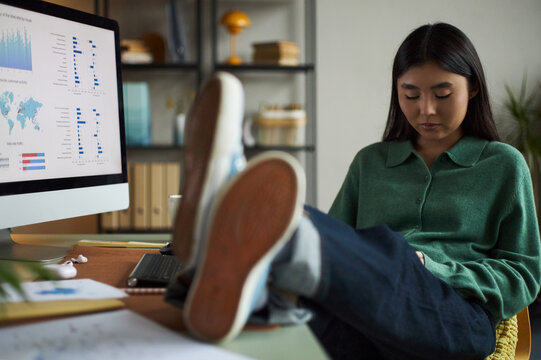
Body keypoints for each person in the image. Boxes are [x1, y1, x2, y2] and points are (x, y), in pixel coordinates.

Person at [167, 23, 541, 359]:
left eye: (442, 94)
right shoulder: (371, 162)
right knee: (334, 248)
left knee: (388, 249)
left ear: (473, 87)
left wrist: (434, 268)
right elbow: (341, 246)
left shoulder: (503, 164)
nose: (426, 110)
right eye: (410, 95)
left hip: (458, 318)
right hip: (372, 320)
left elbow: (523, 275)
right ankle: (245, 269)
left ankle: (236, 225)